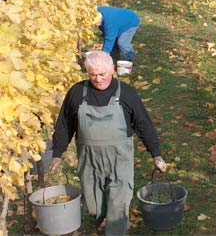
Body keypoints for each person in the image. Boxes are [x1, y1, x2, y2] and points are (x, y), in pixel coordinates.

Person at [49, 51, 166, 235]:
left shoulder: (127, 94)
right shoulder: (77, 92)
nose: (98, 79)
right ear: (87, 72)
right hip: (89, 160)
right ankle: (100, 223)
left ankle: (115, 231)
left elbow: (143, 124)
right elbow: (64, 124)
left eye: (102, 74)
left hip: (119, 159)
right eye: (93, 74)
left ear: (113, 70)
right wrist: (57, 153)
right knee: (94, 205)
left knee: (118, 204)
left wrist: (156, 155)